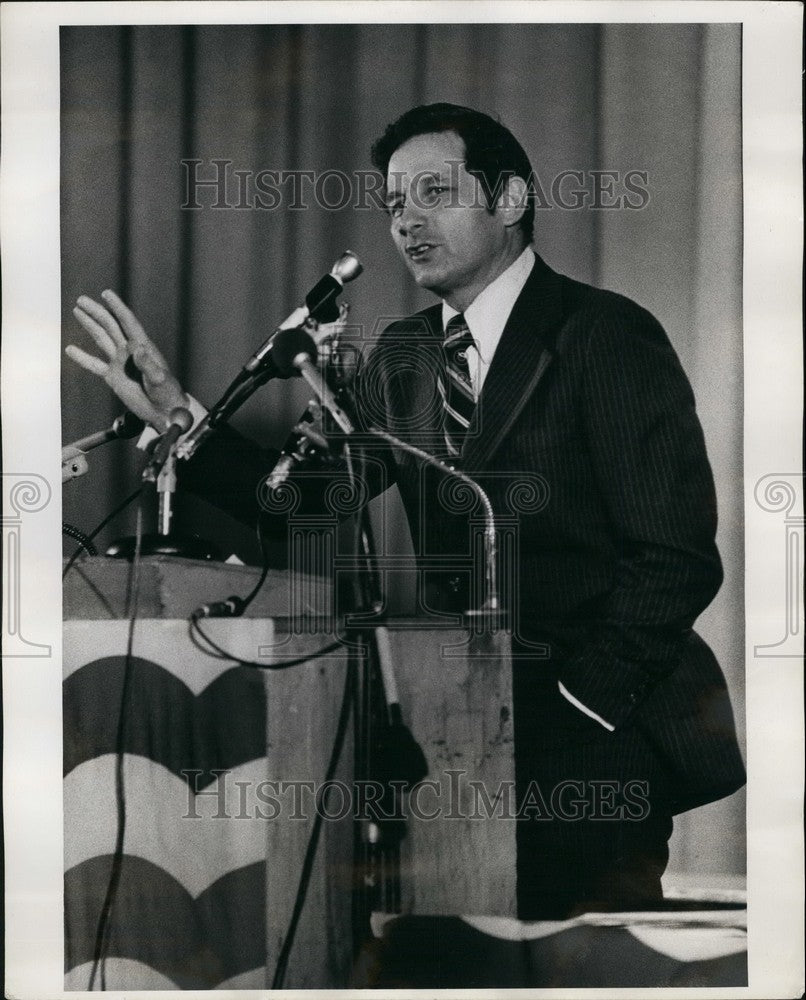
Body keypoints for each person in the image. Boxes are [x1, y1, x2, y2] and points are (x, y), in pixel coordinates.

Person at [67, 103, 745, 919]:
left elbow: (672, 556)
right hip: (457, 736)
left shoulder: (604, 334)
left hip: (595, 738)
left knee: (579, 963)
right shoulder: (407, 356)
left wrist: (581, 705)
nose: (407, 221)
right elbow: (306, 511)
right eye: (393, 203)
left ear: (510, 200)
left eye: (434, 192)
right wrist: (180, 415)